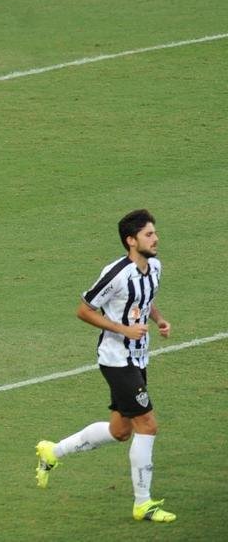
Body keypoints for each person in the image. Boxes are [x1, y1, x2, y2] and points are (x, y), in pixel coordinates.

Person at [34, 209, 175, 523]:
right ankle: (143, 503)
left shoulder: (155, 266)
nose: (156, 238)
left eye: (154, 232)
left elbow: (146, 299)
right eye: (149, 234)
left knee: (120, 430)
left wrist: (159, 319)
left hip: (139, 358)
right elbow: (84, 310)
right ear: (131, 240)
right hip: (116, 360)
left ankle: (52, 452)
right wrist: (123, 330)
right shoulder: (116, 274)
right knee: (148, 425)